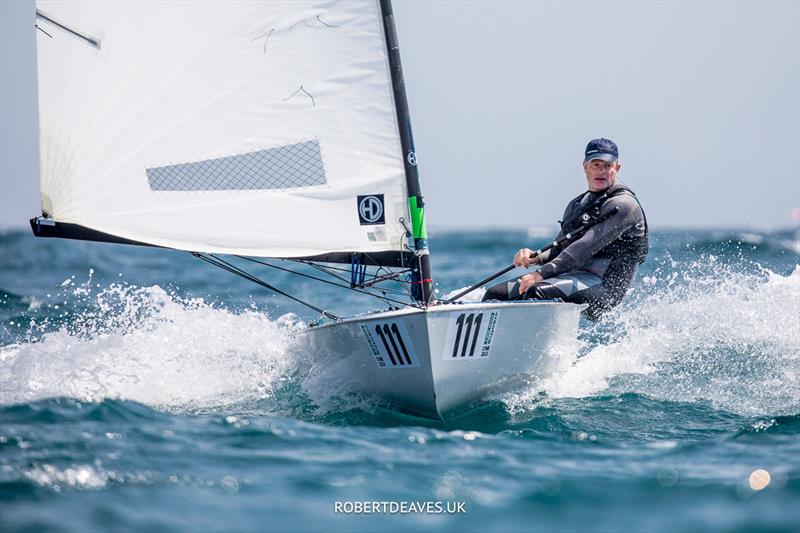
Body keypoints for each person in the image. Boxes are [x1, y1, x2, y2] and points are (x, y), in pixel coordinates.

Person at [482, 138, 648, 320]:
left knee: (537, 292)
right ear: (585, 166)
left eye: (607, 165)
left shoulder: (623, 205)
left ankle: (538, 347)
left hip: (605, 288)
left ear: (617, 168)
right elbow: (559, 249)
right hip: (574, 276)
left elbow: (583, 247)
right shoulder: (577, 205)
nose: (601, 171)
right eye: (595, 164)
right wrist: (534, 257)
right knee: (495, 294)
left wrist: (540, 274)